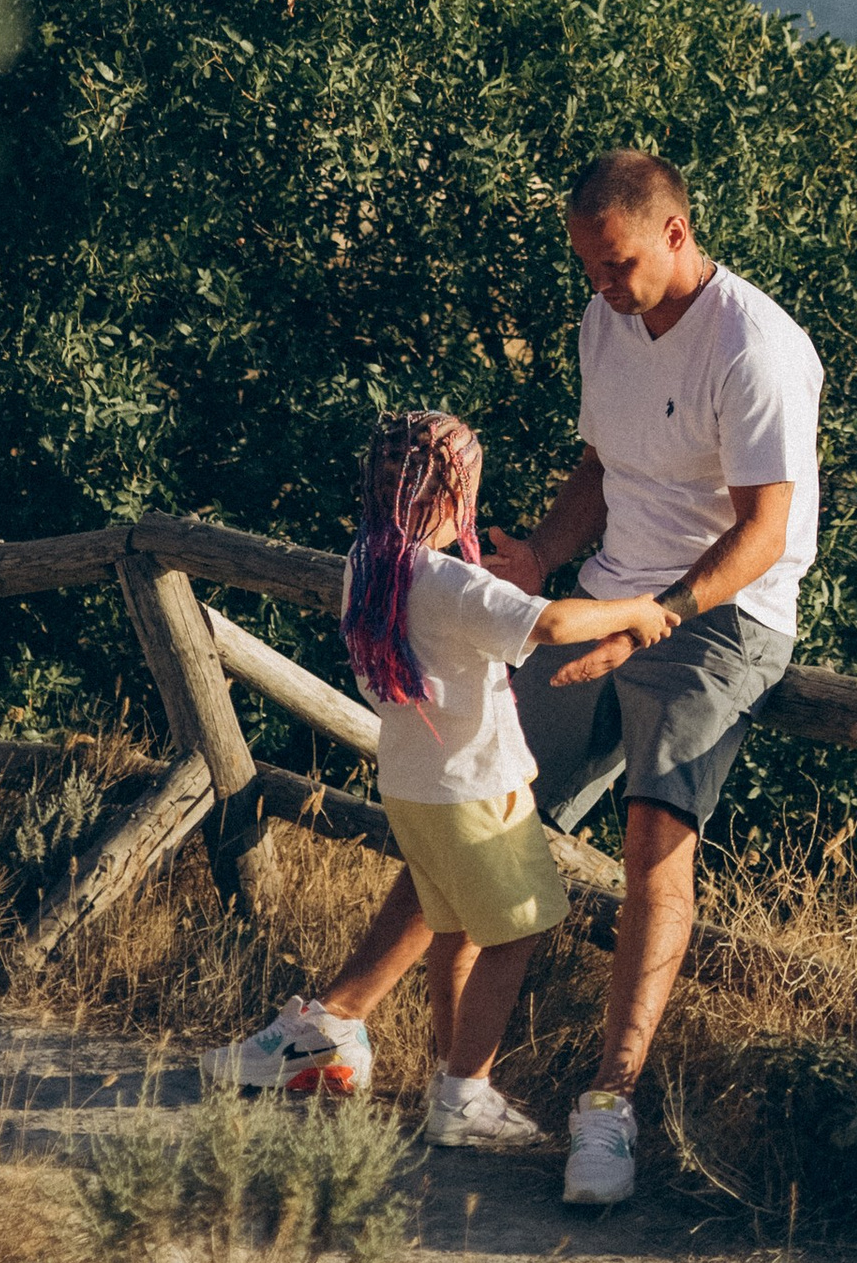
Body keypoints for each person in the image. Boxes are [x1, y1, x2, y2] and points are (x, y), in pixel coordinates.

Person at [487, 150, 822, 1212]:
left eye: (616, 262)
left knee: (650, 839)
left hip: (719, 617)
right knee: (487, 800)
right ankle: (419, 1057)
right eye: (586, 266)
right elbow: (598, 470)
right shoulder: (605, 320)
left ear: (675, 232)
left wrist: (657, 618)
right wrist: (539, 557)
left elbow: (765, 533)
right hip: (609, 592)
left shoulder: (755, 349)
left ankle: (608, 1105)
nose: (602, 284)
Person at [204, 406, 672, 1149]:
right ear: (456, 500)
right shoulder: (452, 584)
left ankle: (450, 1077)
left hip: (413, 787)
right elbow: (547, 624)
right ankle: (465, 1096)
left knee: (454, 930)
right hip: (480, 790)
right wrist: (640, 611)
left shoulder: (368, 563)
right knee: (518, 932)